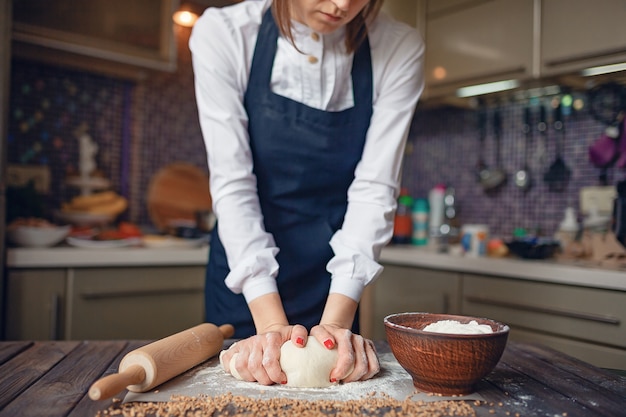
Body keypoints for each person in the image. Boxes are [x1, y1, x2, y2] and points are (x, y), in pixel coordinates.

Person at [189, 0, 424, 386]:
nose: (343, 4)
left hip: (335, 280)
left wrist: (333, 327)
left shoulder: (398, 46)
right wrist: (270, 327)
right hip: (246, 271)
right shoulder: (225, 34)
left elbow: (374, 190)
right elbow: (234, 184)